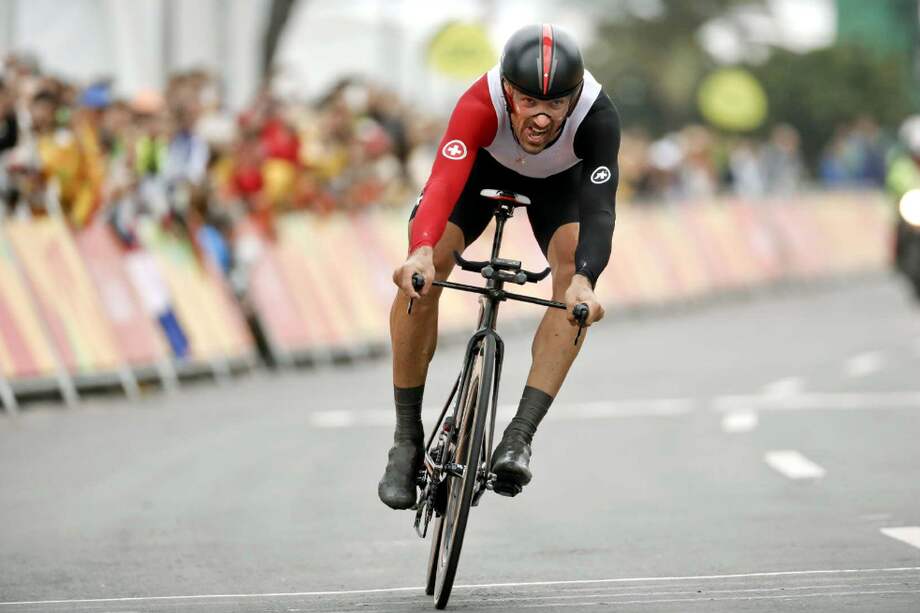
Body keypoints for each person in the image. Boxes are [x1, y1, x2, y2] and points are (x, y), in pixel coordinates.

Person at [378, 24, 621, 509]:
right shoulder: (480, 102)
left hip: (560, 184)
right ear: (509, 89)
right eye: (529, 101)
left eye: (555, 105)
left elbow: (599, 208)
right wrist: (421, 249)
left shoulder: (597, 115)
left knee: (573, 278)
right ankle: (406, 439)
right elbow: (444, 181)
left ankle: (520, 435)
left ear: (573, 98)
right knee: (423, 276)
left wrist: (585, 281)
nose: (541, 117)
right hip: (480, 171)